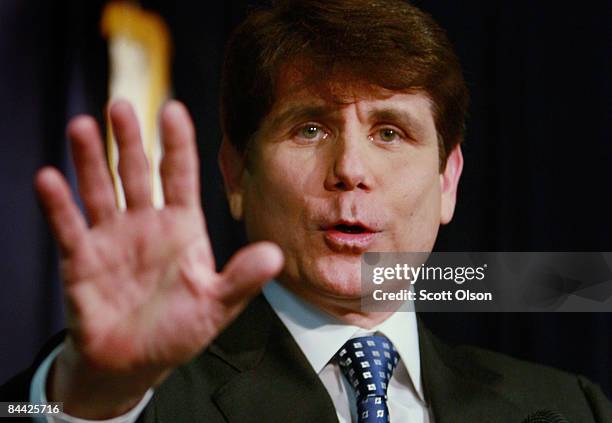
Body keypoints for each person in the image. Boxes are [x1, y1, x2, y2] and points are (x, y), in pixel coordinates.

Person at [1, 0, 610, 422]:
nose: (351, 168)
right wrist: (83, 403)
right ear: (236, 174)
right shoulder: (132, 390)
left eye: (391, 132)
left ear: (448, 181)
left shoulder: (567, 407)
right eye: (310, 128)